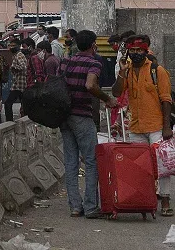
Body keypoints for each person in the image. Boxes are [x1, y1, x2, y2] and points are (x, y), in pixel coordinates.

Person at [112, 34, 174, 216]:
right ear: (128, 52)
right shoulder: (128, 70)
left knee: (162, 165)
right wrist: (122, 71)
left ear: (146, 50)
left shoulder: (157, 70)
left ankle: (165, 199)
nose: (136, 53)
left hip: (156, 126)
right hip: (136, 127)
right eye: (133, 50)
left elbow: (166, 99)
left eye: (140, 50)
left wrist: (166, 126)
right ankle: (144, 199)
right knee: (140, 166)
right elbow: (117, 92)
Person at [60, 30, 118, 219]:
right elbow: (90, 85)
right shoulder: (93, 63)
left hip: (64, 116)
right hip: (82, 116)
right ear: (93, 44)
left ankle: (75, 207)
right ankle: (91, 206)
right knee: (92, 161)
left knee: (71, 162)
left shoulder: (66, 62)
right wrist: (107, 99)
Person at [5, 39, 29, 123]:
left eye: (13, 46)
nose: (11, 47)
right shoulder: (16, 55)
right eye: (10, 46)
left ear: (18, 46)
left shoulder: (19, 55)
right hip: (19, 83)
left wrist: (13, 68)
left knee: (8, 103)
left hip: (20, 84)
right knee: (24, 104)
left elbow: (23, 67)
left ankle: (9, 122)